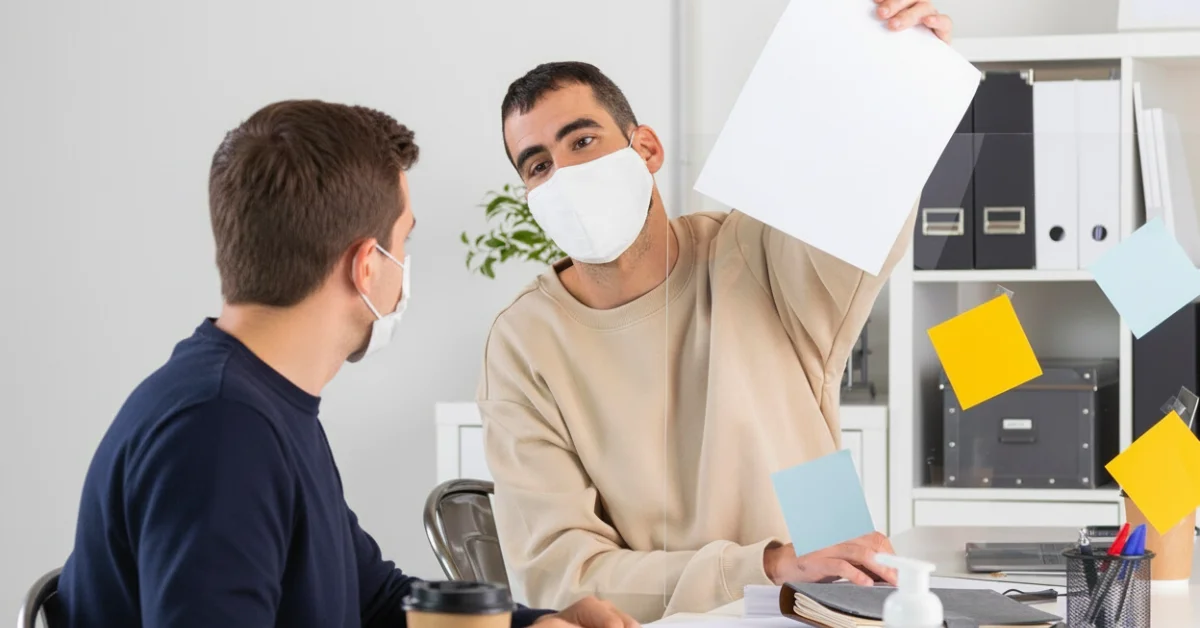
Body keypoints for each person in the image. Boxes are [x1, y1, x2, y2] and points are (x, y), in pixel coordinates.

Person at [55, 100, 638, 628]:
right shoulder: (219, 431)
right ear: (366, 266)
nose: (404, 267)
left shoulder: (265, 405)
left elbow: (376, 601)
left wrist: (529, 626)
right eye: (403, 242)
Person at [476, 0, 955, 622]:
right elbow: (563, 576)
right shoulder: (525, 342)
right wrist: (766, 564)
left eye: (583, 141)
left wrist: (904, 68)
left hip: (827, 604)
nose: (564, 175)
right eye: (538, 165)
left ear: (645, 147)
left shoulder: (753, 251)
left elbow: (862, 202)